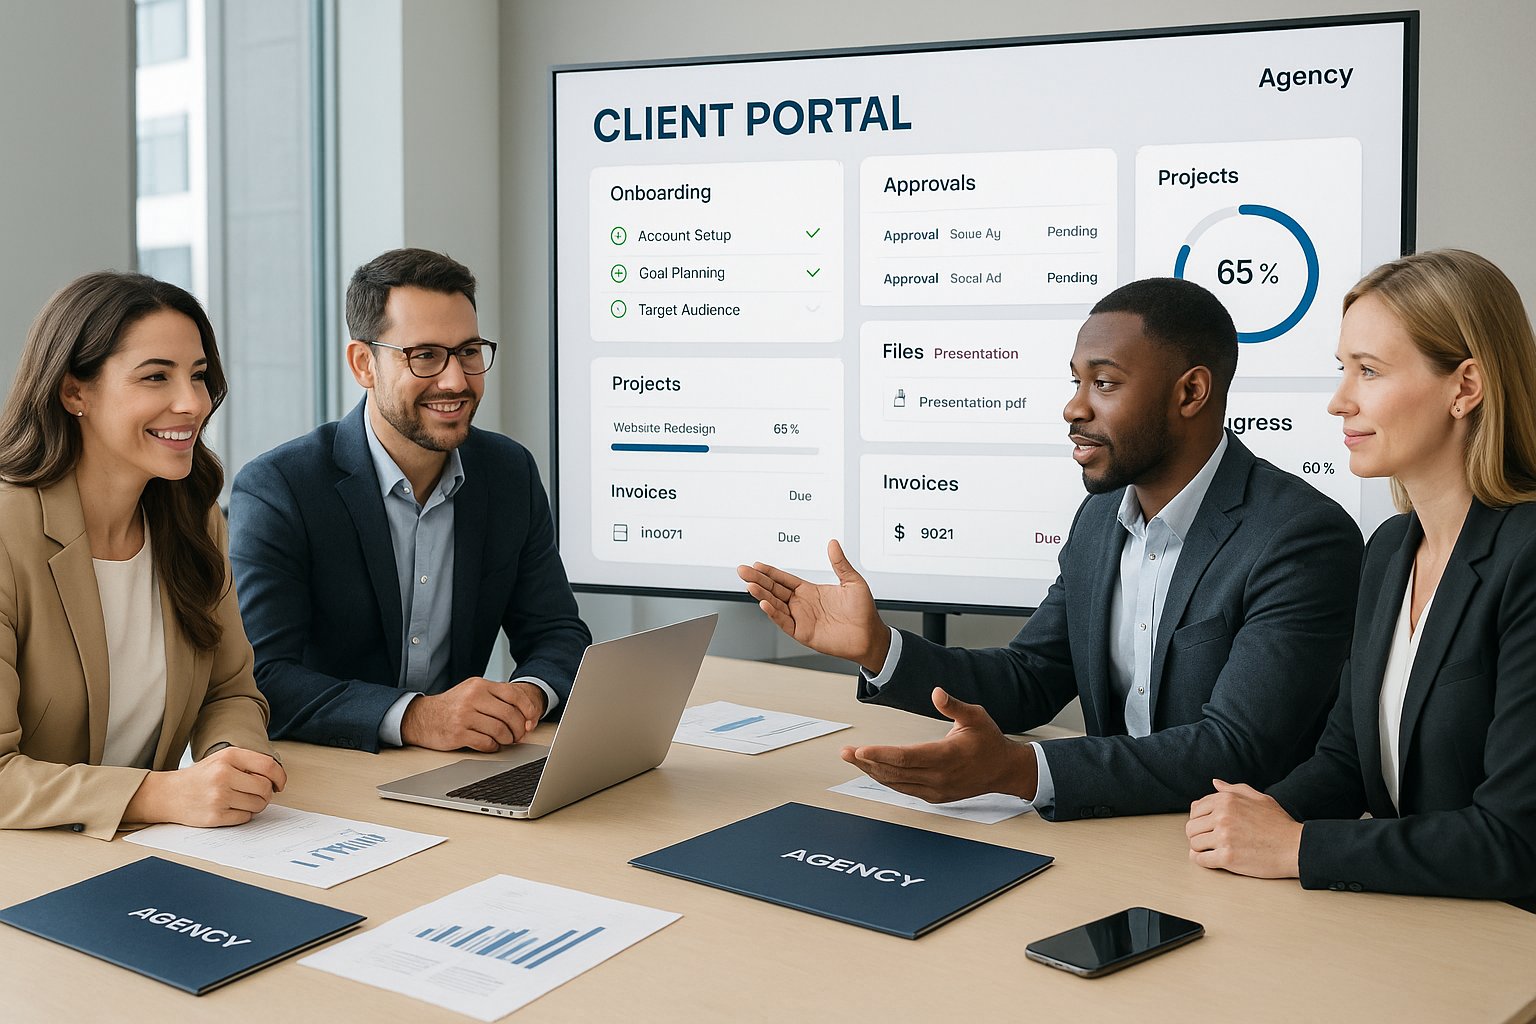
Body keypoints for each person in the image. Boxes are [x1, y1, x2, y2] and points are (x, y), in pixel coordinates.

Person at [739, 277, 1363, 820]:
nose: (1073, 406)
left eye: (1105, 383)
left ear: (1191, 393)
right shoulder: (1101, 519)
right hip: (1117, 835)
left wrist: (1020, 770)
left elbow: (1238, 750)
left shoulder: (1299, 538)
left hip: (1246, 863)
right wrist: (880, 647)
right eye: (1076, 380)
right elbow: (1030, 678)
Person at [1187, 249, 1536, 907]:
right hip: (1412, 927)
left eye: (1369, 371)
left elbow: (1515, 841)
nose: (1339, 401)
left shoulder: (1528, 556)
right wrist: (1243, 823)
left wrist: (1293, 848)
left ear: (1465, 387)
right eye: (1343, 369)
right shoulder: (1388, 550)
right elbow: (1348, 763)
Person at [229, 248, 590, 753]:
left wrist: (527, 697)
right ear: (364, 364)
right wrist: (417, 717)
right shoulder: (280, 488)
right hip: (330, 774)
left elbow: (557, 632)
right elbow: (261, 678)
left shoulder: (509, 473)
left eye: (468, 351)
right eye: (424, 355)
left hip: (464, 763)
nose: (455, 380)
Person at [0, 272, 285, 838]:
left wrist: (231, 762)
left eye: (199, 375)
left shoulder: (192, 517)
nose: (192, 402)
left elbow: (229, 691)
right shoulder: (8, 531)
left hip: (136, 853)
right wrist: (162, 793)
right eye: (156, 376)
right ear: (73, 391)